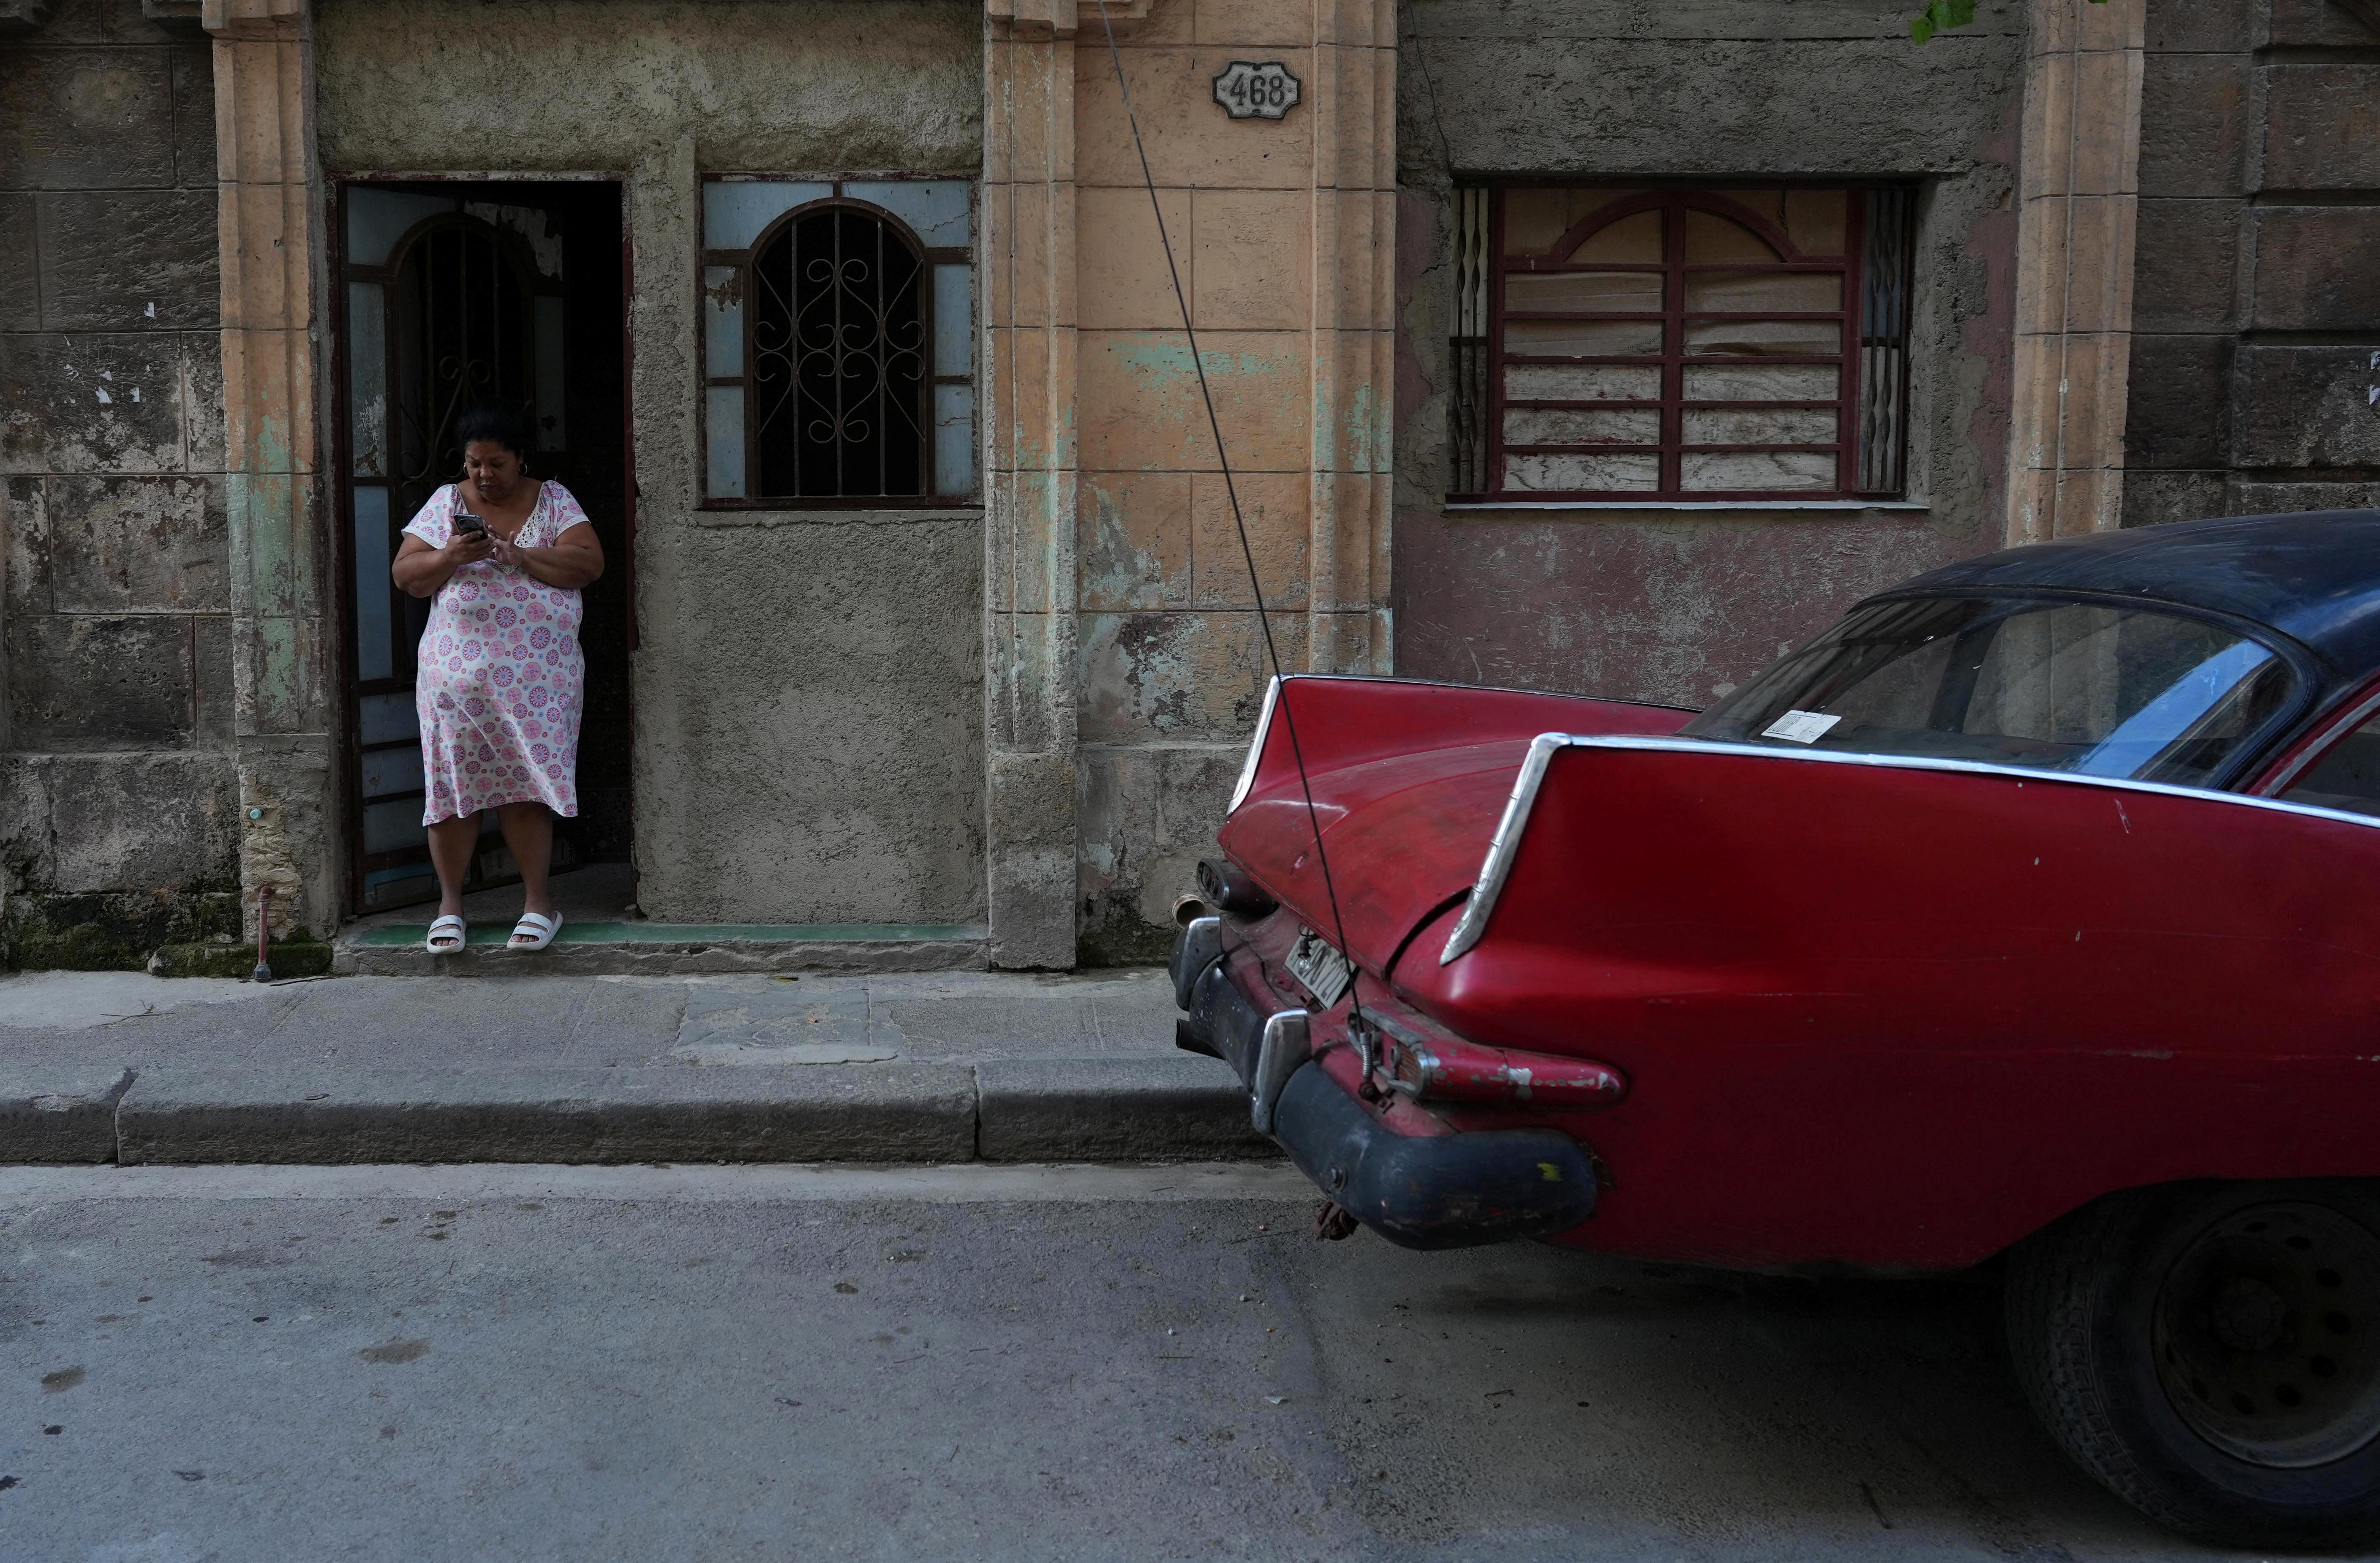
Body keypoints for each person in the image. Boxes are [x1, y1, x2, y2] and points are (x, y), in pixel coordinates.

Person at [391, 401, 605, 953]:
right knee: (453, 792)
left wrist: (520, 557)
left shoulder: (556, 501)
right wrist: (452, 556)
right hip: (455, 686)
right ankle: (450, 908)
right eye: (474, 464)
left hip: (538, 684)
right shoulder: (445, 503)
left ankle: (537, 904)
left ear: (520, 460)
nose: (483, 475)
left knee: (528, 787)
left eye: (496, 464)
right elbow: (406, 576)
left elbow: (588, 565)